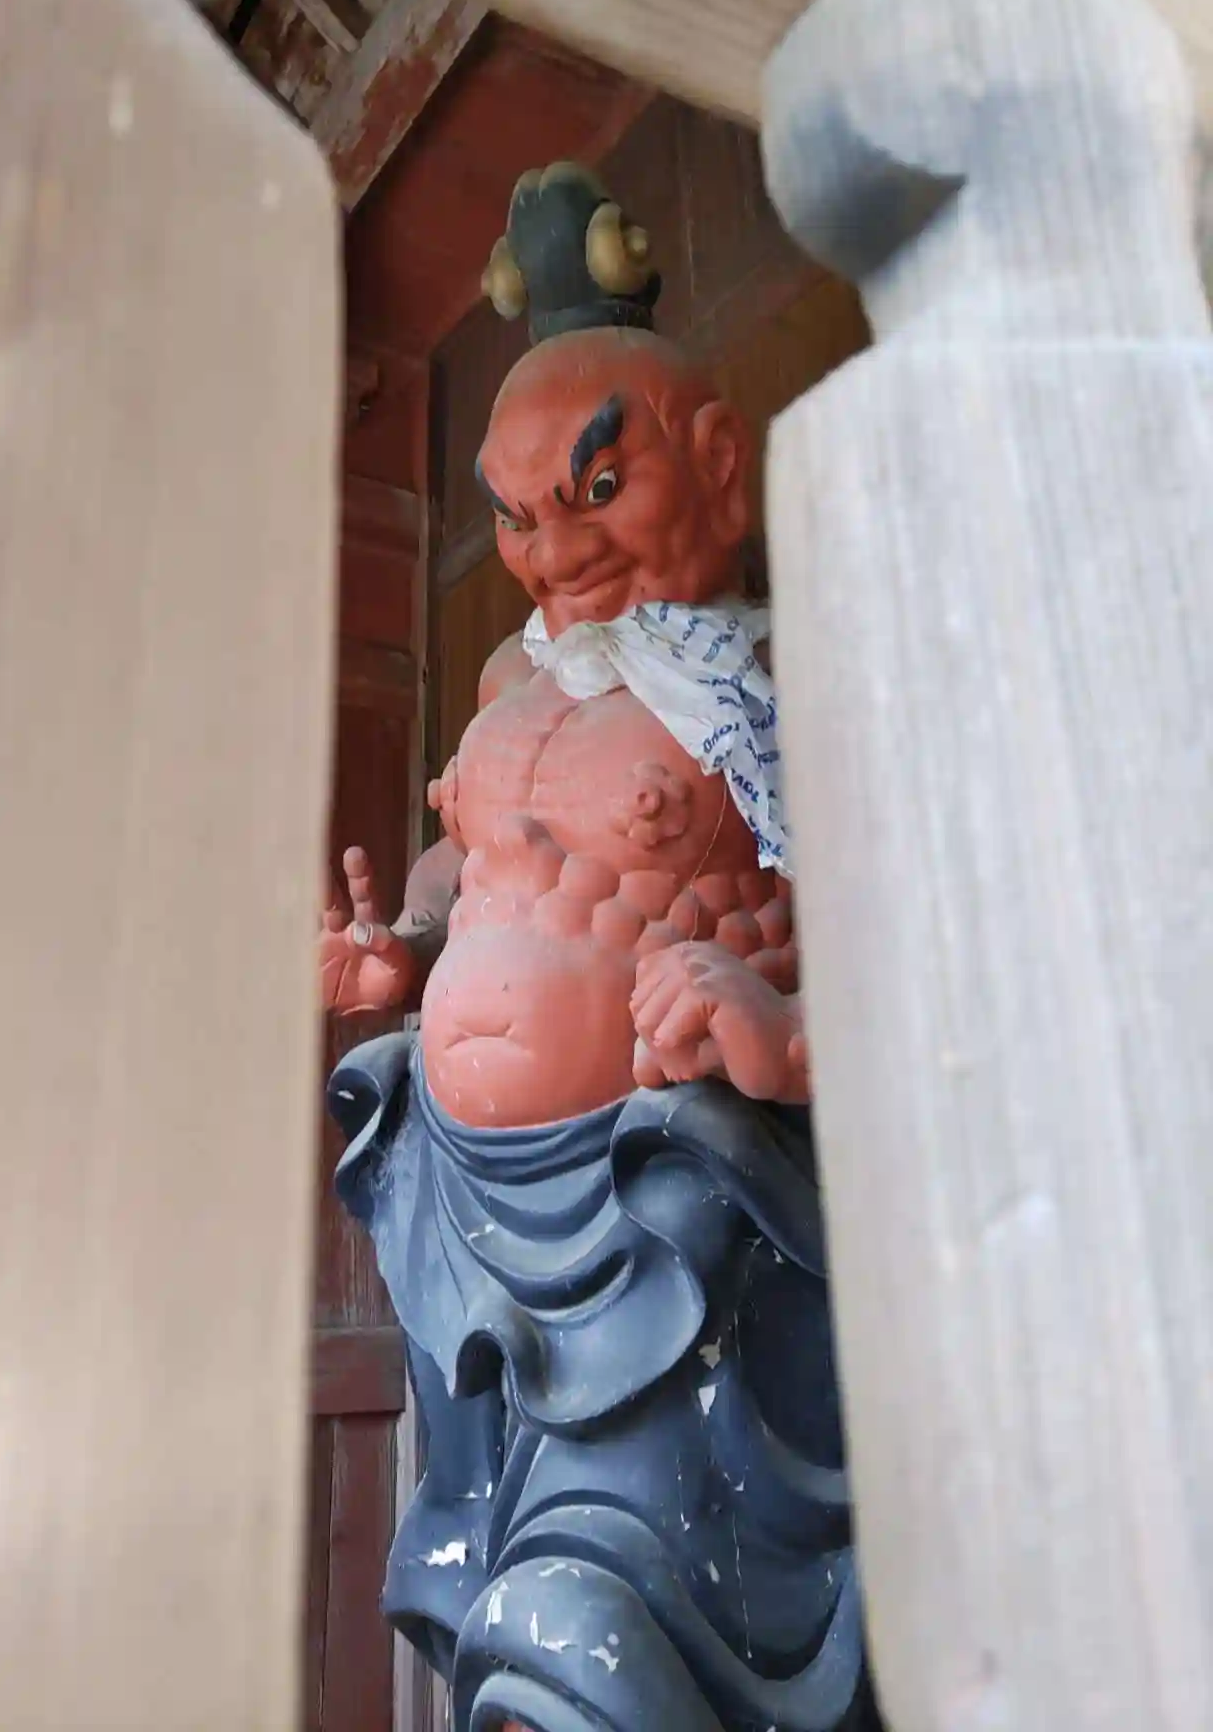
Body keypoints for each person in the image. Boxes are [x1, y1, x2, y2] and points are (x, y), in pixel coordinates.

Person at [320, 163, 880, 1732]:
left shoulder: (780, 688)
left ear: (716, 467)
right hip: (477, 1215)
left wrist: (785, 1033)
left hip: (671, 1208)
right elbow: (463, 872)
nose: (554, 550)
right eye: (514, 515)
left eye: (597, 489)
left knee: (628, 1625)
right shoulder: (517, 686)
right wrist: (400, 950)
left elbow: (909, 921)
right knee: (508, 1580)